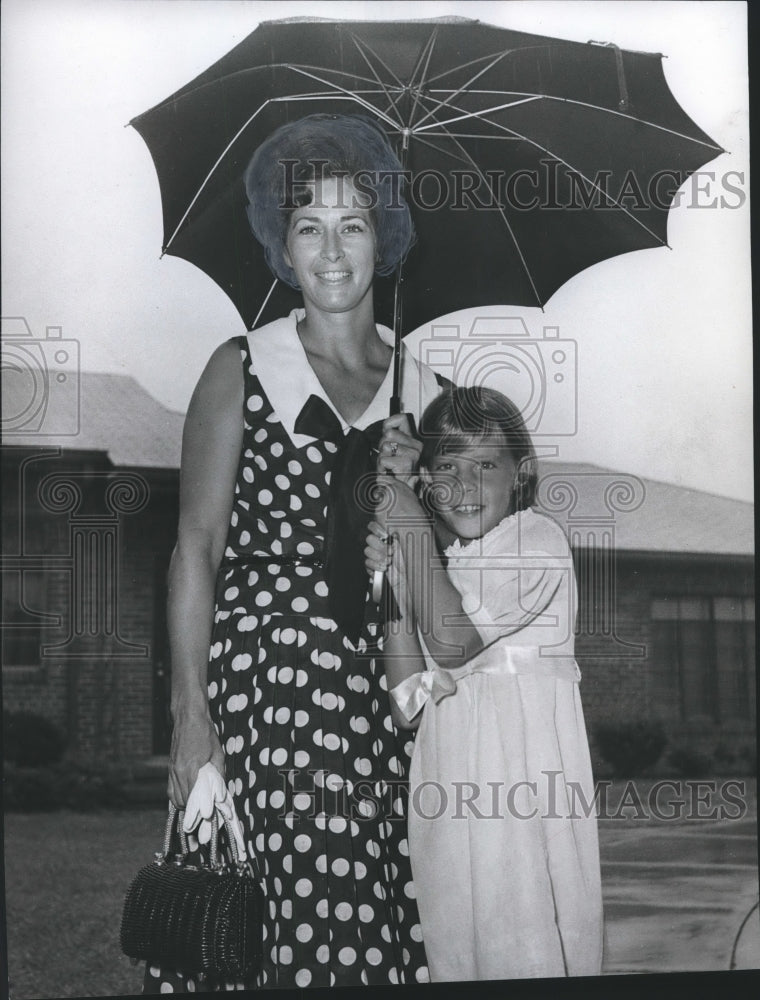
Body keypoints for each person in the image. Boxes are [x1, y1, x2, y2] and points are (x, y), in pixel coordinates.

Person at [144, 114, 442, 992]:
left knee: (384, 911)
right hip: (265, 690)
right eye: (308, 226)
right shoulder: (238, 367)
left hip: (387, 696)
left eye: (354, 224)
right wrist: (191, 719)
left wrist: (410, 516)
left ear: (383, 234)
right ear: (283, 244)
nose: (334, 250)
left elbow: (443, 582)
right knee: (277, 921)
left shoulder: (426, 394)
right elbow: (193, 549)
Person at [365, 385, 604, 982]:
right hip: (449, 797)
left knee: (525, 944)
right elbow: (406, 701)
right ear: (426, 476)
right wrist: (394, 565)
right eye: (446, 465)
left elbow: (453, 641)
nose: (465, 484)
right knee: (462, 947)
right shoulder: (443, 568)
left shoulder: (536, 541)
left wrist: (410, 525)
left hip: (519, 796)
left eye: (485, 465)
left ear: (520, 475)